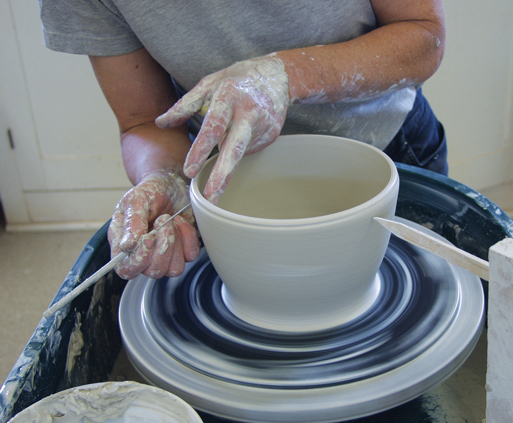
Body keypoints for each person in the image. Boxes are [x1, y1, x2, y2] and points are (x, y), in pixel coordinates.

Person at [39, 1, 447, 280]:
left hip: (386, 146)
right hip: (229, 187)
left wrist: (287, 75)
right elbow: (144, 120)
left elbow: (424, 35)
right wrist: (163, 176)